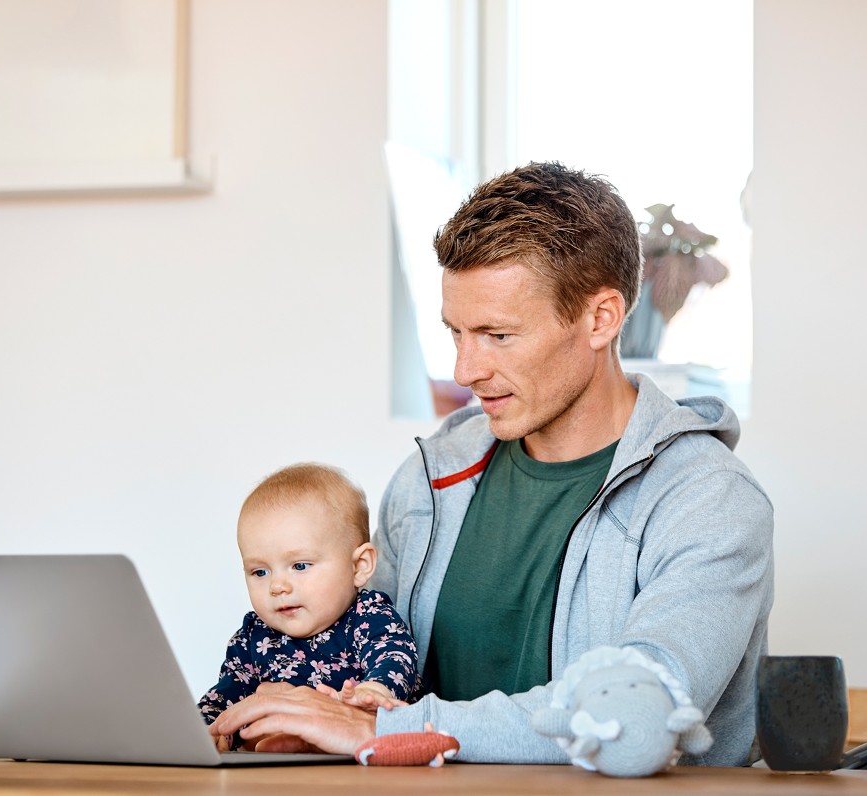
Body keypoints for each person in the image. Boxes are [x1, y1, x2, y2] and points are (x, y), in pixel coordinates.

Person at [209, 162, 773, 765]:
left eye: (497, 335)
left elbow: (638, 720)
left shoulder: (708, 500)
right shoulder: (429, 482)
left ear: (600, 318)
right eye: (457, 333)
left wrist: (393, 728)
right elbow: (350, 668)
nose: (465, 371)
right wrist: (282, 721)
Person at [199, 462, 419, 750]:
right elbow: (227, 693)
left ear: (359, 566)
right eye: (260, 572)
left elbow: (394, 657)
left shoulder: (369, 616)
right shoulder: (254, 636)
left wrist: (373, 691)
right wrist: (209, 726)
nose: (278, 586)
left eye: (300, 566)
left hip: (360, 763)